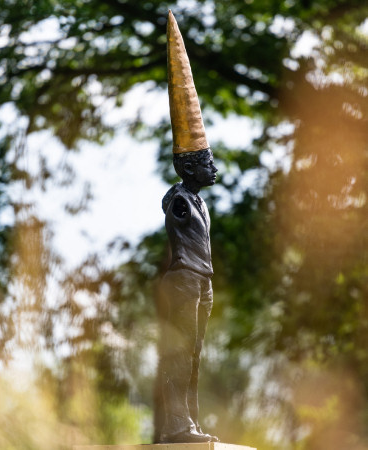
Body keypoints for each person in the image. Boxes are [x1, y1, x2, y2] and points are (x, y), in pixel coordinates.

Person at [154, 11, 219, 444]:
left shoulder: (196, 200)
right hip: (183, 282)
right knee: (180, 354)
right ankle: (175, 425)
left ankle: (189, 423)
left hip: (202, 283)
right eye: (207, 159)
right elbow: (172, 211)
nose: (213, 165)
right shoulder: (179, 199)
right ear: (192, 165)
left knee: (194, 355)